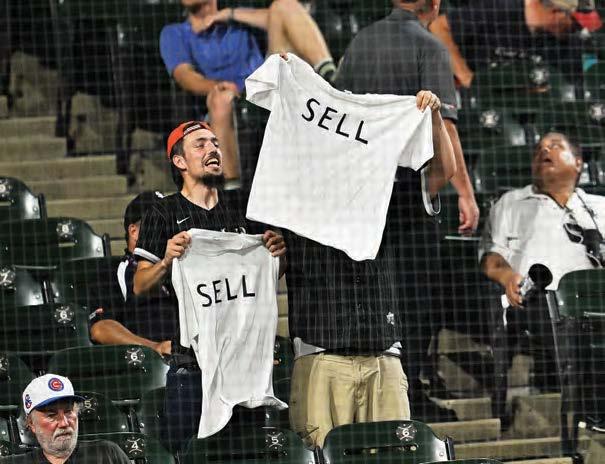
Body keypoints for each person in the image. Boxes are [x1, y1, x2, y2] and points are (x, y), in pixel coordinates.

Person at [285, 89, 456, 448]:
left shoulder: (386, 199)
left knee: (395, 457)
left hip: (383, 357)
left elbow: (443, 171)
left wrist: (435, 119)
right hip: (321, 358)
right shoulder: (293, 201)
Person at [334, 0, 478, 413]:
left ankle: (380, 397)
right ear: (434, 4)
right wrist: (465, 193)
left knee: (376, 299)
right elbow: (444, 128)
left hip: (361, 195)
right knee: (415, 301)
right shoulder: (429, 46)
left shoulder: (360, 42)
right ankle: (408, 396)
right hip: (409, 197)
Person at [132, 120, 286, 451]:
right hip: (191, 366)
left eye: (215, 143)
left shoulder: (243, 205)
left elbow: (266, 276)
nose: (213, 149)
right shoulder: (163, 212)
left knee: (249, 456)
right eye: (200, 144)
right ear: (179, 161)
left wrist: (277, 254)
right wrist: (165, 261)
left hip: (243, 365)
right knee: (189, 455)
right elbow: (140, 285)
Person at [479, 132, 605, 425]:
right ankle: (589, 414)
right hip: (542, 300)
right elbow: (491, 259)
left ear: (578, 162)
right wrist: (508, 277)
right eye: (538, 149)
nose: (544, 150)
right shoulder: (511, 203)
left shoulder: (600, 206)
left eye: (555, 146)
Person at [160, 0, 335, 181]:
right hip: (227, 98)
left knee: (284, 5)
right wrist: (218, 86)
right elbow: (185, 76)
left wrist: (229, 14)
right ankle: (232, 188)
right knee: (221, 99)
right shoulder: (174, 33)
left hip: (265, 85)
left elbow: (285, 19)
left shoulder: (237, 19)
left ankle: (330, 76)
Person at [429, 0, 602, 88]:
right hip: (478, 94)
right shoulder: (502, 8)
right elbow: (438, 27)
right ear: (556, 12)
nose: (578, 30)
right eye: (574, 23)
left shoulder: (565, 42)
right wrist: (466, 76)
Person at [88, 191, 176, 357]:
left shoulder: (180, 264)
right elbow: (100, 329)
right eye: (157, 223)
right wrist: (154, 348)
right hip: (143, 361)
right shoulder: (111, 272)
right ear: (134, 231)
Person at [2, 374, 130, 463]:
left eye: (68, 412)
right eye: (51, 415)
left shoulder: (107, 454)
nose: (64, 423)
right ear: (31, 424)